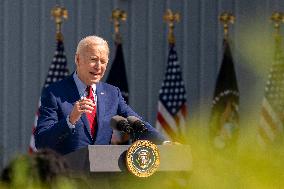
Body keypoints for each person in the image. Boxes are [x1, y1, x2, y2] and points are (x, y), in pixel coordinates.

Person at [35, 35, 165, 155]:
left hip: (101, 176)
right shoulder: (54, 93)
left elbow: (137, 123)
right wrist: (70, 120)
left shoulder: (112, 93)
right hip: (67, 176)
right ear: (78, 59)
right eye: (93, 59)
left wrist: (164, 142)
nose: (98, 66)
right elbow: (41, 142)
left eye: (103, 61)